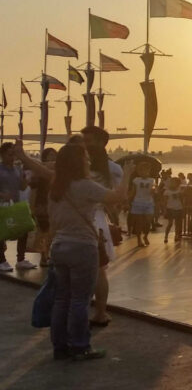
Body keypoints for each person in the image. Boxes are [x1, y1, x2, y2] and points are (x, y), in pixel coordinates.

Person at [16, 141, 133, 361]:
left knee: (62, 299)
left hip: (59, 246)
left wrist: (23, 157)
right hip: (82, 247)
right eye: (85, 158)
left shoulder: (56, 183)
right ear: (80, 162)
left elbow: (41, 169)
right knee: (80, 300)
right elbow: (118, 197)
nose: (88, 161)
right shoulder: (85, 186)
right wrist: (127, 174)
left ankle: (59, 347)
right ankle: (80, 346)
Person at [80, 126, 123, 328]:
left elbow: (115, 198)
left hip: (95, 222)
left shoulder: (112, 169)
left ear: (102, 142)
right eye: (84, 140)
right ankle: (92, 311)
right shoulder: (80, 166)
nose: (86, 145)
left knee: (98, 270)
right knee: (93, 270)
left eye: (90, 141)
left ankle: (99, 312)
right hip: (81, 220)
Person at [0, 142, 30, 271]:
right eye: (9, 154)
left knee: (23, 229)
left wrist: (24, 178)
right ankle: (1, 260)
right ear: (2, 155)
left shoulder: (17, 169)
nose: (12, 157)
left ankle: (21, 259)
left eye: (14, 154)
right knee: (2, 231)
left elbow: (22, 187)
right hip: (2, 205)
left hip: (15, 204)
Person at [28, 148, 58, 266]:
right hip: (42, 204)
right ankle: (44, 256)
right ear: (44, 157)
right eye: (50, 155)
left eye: (54, 156)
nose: (52, 158)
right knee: (44, 231)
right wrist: (32, 207)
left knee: (52, 232)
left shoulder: (59, 172)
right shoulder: (39, 173)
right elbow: (33, 189)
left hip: (55, 204)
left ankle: (48, 254)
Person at [129, 162, 157, 247]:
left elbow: (154, 188)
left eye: (145, 170)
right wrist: (128, 200)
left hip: (148, 203)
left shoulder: (152, 180)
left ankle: (146, 236)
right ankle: (139, 239)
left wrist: (154, 190)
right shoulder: (136, 180)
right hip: (138, 202)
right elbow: (133, 191)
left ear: (148, 171)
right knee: (139, 222)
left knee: (148, 221)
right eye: (141, 170)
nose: (143, 172)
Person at [163, 176, 185, 243]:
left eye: (174, 182)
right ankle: (166, 236)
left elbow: (182, 200)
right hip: (170, 208)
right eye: (171, 182)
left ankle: (176, 235)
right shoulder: (167, 191)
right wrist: (164, 209)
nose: (172, 184)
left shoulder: (179, 191)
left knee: (177, 224)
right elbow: (164, 201)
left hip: (178, 208)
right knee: (170, 223)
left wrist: (183, 207)